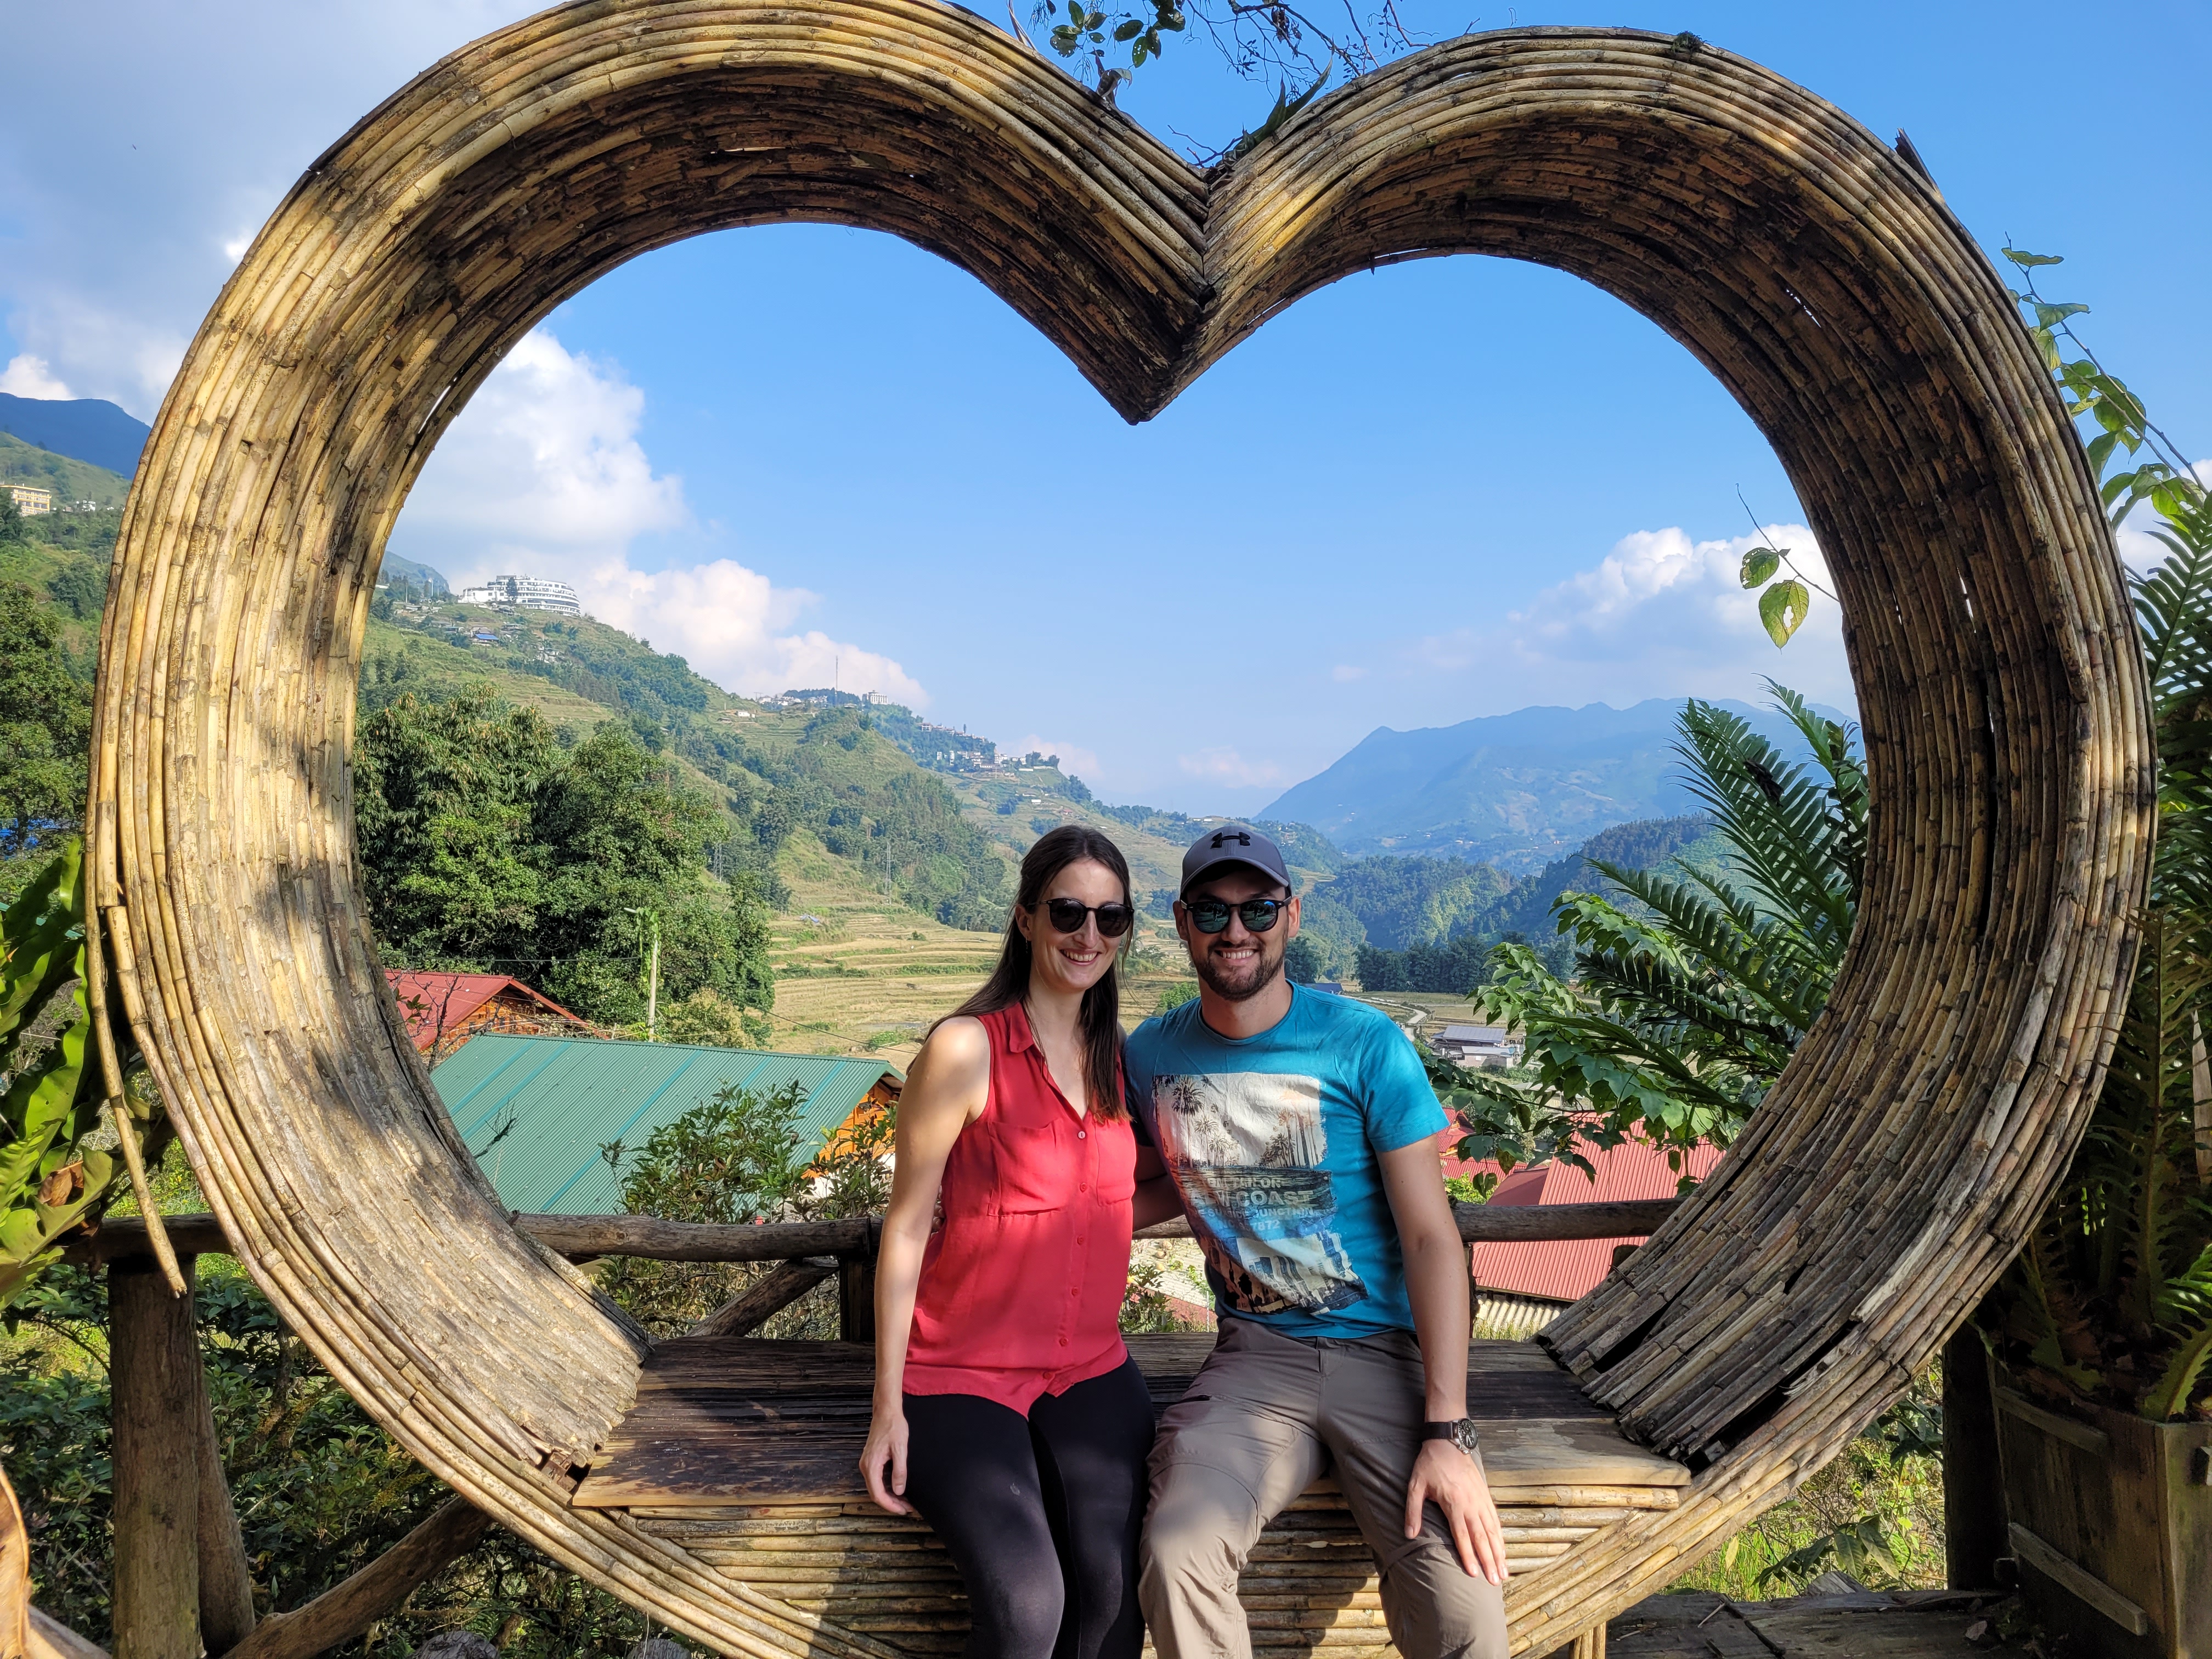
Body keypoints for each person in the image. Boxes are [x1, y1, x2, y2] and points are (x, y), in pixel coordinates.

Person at [1126, 824, 1509, 1659]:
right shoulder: (1151, 1054)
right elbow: (1144, 1180)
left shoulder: (1366, 1043)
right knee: (1178, 1553)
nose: (1236, 930)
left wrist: (1449, 1431)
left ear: (1292, 917)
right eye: (1212, 911)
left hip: (1388, 1361)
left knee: (1467, 1615)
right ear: (1183, 921)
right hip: (1256, 1361)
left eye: (1258, 909)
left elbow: (1430, 1236)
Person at [861, 824, 1184, 1659]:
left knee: (1115, 1604)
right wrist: (887, 1407)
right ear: (1026, 916)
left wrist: (1215, 1183)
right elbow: (906, 1226)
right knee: (1028, 1607)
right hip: (961, 1370)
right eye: (1068, 912)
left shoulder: (1112, 1056)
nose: (1089, 936)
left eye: (1111, 918)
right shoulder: (965, 1049)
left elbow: (1115, 1199)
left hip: (1089, 1366)